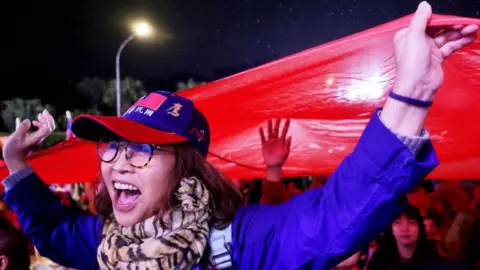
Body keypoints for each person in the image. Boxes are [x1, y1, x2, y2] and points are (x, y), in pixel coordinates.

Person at [2, 2, 478, 269]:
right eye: (114, 145)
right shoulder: (105, 243)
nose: (119, 163)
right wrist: (18, 165)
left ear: (186, 168)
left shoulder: (239, 243)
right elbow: (53, 231)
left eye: (144, 148)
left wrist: (411, 92)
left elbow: (332, 223)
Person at [368, 205, 465, 270]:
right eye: (397, 223)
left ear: (420, 228)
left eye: (411, 223)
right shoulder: (381, 258)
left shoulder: (433, 253)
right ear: (391, 229)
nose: (405, 228)